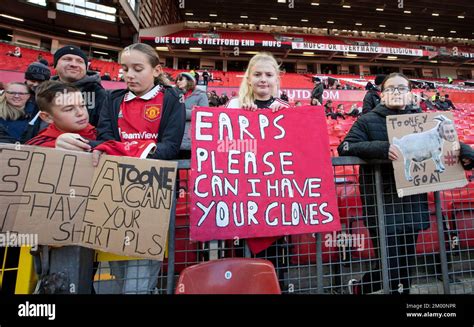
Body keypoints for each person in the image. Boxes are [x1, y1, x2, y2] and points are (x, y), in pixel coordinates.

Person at [338, 73, 474, 294]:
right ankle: (362, 289)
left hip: (412, 201)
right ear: (382, 94)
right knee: (388, 264)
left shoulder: (419, 117)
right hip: (382, 202)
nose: (397, 92)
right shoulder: (367, 120)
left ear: (410, 94)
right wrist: (382, 148)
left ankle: (395, 292)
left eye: (402, 88)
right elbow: (346, 147)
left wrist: (467, 153)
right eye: (391, 88)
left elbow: (446, 140)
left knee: (405, 264)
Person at [93, 43, 184, 294]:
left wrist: (125, 150)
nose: (129, 75)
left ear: (156, 70)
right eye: (124, 69)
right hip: (114, 189)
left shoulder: (172, 99)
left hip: (154, 190)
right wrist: (142, 149)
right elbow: (105, 139)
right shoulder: (113, 100)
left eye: (137, 68)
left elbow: (170, 147)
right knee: (118, 263)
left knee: (140, 274)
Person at [50, 45, 107, 127]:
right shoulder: (44, 91)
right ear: (55, 65)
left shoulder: (99, 94)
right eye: (67, 59)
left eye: (79, 61)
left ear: (86, 68)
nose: (74, 64)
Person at [175, 72, 209, 159]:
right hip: (174, 137)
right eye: (177, 80)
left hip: (190, 138)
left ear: (189, 81)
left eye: (181, 79)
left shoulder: (201, 95)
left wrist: (180, 112)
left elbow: (203, 114)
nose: (178, 81)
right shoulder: (175, 94)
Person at [21, 62, 52, 142]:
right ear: (26, 79)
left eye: (40, 82)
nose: (36, 84)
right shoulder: (15, 94)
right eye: (32, 80)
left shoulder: (51, 97)